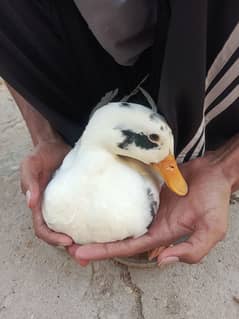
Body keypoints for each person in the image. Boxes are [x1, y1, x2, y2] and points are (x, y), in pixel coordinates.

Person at [0, 0, 238, 267]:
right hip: (86, 54)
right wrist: (46, 135)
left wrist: (226, 168)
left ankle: (204, 138)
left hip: (199, 42)